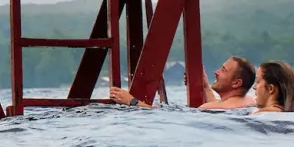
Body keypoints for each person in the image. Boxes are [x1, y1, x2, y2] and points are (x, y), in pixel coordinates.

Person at [107, 56, 255, 109]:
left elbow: (162, 117)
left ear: (236, 83)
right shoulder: (250, 101)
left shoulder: (211, 108)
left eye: (223, 70)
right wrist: (204, 85)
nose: (216, 72)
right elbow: (219, 107)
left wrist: (132, 101)